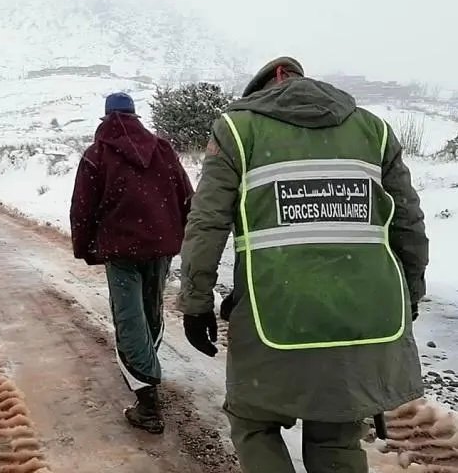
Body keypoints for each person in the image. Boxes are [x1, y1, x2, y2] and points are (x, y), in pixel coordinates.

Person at [178, 57, 429, 473]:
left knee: (252, 421)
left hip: (275, 309)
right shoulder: (372, 130)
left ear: (268, 86)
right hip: (361, 312)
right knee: (336, 433)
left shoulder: (239, 129)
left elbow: (206, 222)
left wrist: (196, 301)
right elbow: (408, 221)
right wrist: (411, 293)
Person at [70, 92, 194, 434]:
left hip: (121, 251)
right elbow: (187, 196)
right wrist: (182, 235)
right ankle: (146, 369)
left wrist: (85, 248)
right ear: (136, 116)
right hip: (160, 248)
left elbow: (82, 209)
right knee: (150, 312)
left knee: (129, 318)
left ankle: (148, 402)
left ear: (105, 119)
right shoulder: (164, 150)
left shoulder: (97, 155)